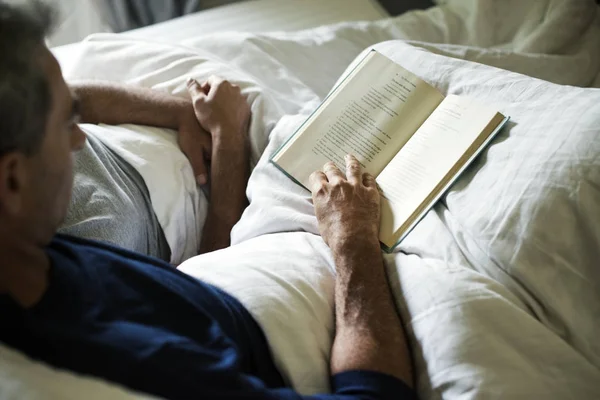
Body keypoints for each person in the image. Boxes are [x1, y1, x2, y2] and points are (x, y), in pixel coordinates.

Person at [0, 2, 417, 399]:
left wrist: (180, 113)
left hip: (198, 131)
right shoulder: (136, 362)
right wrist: (353, 241)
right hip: (300, 273)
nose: (81, 136)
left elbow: (72, 96)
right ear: (14, 181)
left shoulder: (22, 245)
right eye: (66, 126)